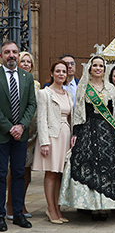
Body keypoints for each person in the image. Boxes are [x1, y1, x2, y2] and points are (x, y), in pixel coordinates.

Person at [59, 56, 115, 221]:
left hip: (109, 131)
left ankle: (106, 206)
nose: (98, 68)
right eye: (95, 65)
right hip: (89, 129)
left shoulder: (109, 88)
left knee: (110, 166)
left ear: (104, 69)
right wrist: (76, 133)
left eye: (101, 66)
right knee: (91, 166)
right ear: (90, 68)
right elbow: (79, 112)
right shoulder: (84, 87)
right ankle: (94, 206)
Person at [0, 40, 36, 231]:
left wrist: (21, 126)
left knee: (19, 174)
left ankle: (18, 214)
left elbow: (32, 104)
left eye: (14, 52)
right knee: (0, 174)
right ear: (1, 56)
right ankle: (0, 215)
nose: (11, 55)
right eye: (7, 52)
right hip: (1, 135)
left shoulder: (27, 78)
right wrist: (9, 127)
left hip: (21, 136)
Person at [33, 60, 73, 224]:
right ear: (52, 73)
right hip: (51, 136)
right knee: (50, 173)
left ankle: (57, 208)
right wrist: (44, 142)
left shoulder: (68, 94)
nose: (61, 74)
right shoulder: (44, 93)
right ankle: (51, 209)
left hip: (65, 135)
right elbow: (41, 119)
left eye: (64, 71)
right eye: (58, 71)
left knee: (59, 174)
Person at [6, 51, 40, 220]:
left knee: (25, 172)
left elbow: (34, 107)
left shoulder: (35, 84)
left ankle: (21, 202)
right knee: (12, 170)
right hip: (12, 131)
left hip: (30, 134)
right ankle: (9, 204)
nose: (26, 64)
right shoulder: (10, 80)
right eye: (23, 61)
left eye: (29, 62)